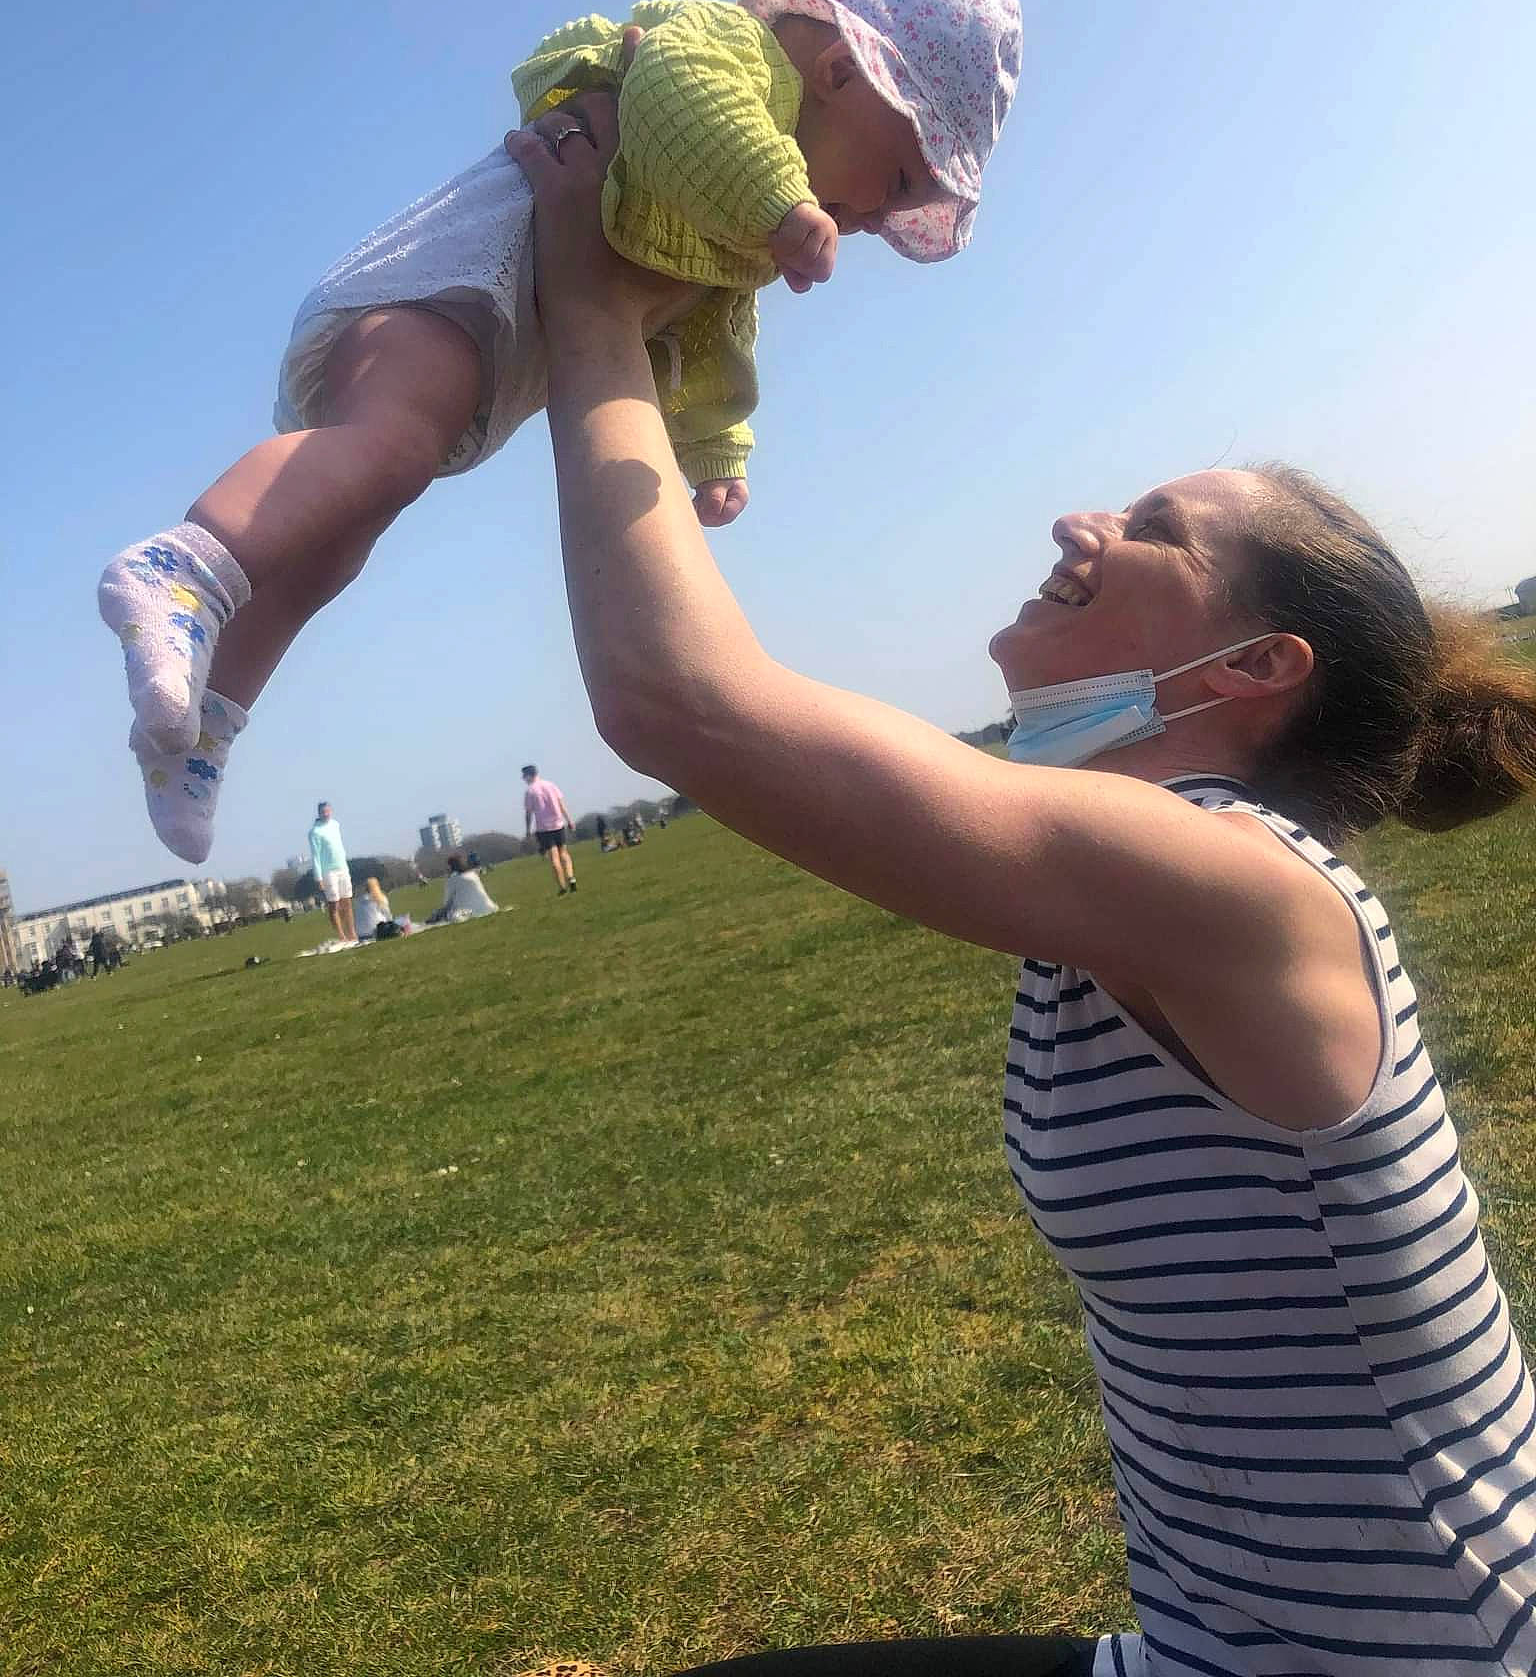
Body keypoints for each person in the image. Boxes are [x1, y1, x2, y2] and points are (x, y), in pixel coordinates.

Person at [507, 100, 1536, 1677]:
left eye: (1155, 531)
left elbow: (682, 702)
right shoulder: (1121, 886)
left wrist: (590, 313)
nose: (1083, 521)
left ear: (1256, 667)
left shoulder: (1241, 888)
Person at [95, 0, 1022, 866]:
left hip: (490, 336)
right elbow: (672, 101)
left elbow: (711, 331)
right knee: (391, 447)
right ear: (838, 70)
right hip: (450, 282)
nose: (875, 220)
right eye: (901, 179)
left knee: (335, 542)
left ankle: (202, 726)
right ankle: (185, 568)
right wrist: (781, 206)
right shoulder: (728, 54)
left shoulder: (737, 225)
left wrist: (717, 445)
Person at [523, 764, 577, 895]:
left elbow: (529, 813)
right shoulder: (550, 785)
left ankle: (562, 886)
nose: (524, 779)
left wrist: (528, 830)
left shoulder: (530, 791)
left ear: (529, 776)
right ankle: (571, 877)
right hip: (558, 824)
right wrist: (569, 820)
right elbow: (561, 804)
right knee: (564, 853)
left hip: (544, 828)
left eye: (524, 776)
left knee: (554, 858)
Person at [308, 801, 355, 945]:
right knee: (334, 904)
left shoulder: (335, 824)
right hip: (328, 872)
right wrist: (319, 877)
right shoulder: (315, 832)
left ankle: (352, 933)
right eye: (323, 812)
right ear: (319, 813)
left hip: (342, 867)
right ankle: (342, 936)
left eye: (328, 811)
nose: (326, 814)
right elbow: (315, 855)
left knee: (347, 902)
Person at [432, 853, 499, 922]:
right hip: (490, 907)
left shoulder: (452, 880)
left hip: (471, 911)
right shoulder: (473, 874)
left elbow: (447, 902)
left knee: (442, 914)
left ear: (451, 867)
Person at [353, 873, 393, 940]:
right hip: (378, 932)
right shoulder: (381, 899)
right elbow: (389, 917)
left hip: (361, 934)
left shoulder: (358, 901)